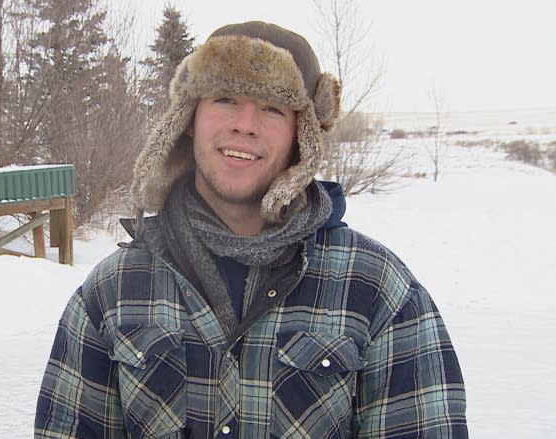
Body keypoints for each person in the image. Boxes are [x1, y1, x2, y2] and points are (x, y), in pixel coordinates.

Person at [34, 21, 467, 438]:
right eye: (225, 98)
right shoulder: (113, 291)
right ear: (189, 118)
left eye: (272, 108)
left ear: (303, 136)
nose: (245, 123)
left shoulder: (377, 290)